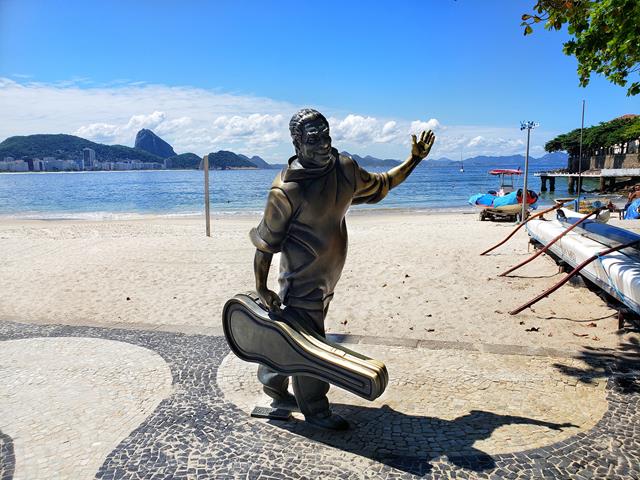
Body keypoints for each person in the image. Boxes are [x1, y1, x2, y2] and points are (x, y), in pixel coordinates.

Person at [250, 108, 435, 430]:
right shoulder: (285, 190)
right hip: (301, 281)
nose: (323, 144)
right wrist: (261, 287)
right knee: (311, 345)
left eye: (326, 135)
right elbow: (265, 244)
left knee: (295, 335)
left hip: (328, 277)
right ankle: (315, 409)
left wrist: (414, 159)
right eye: (314, 139)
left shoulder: (345, 168)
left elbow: (383, 184)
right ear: (296, 142)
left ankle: (271, 379)